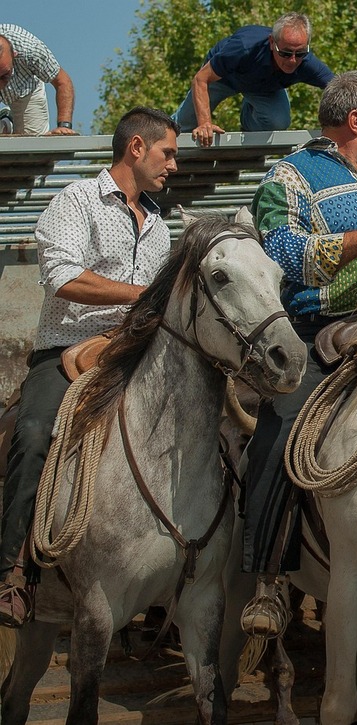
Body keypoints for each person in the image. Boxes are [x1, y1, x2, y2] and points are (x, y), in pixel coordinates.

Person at [240, 70, 357, 637]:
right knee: (281, 427)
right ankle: (267, 580)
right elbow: (279, 252)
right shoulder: (289, 177)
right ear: (356, 121)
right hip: (321, 328)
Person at [0, 107, 179, 627]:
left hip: (135, 354)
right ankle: (12, 572)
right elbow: (61, 277)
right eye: (168, 153)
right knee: (32, 433)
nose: (173, 165)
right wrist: (144, 296)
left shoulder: (161, 226)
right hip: (66, 351)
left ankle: (184, 563)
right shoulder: (75, 200)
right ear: (137, 149)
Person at [174, 12, 357, 147]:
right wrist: (205, 122)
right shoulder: (243, 47)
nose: (292, 61)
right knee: (185, 127)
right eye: (285, 53)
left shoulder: (307, 63)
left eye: (299, 53)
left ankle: (248, 122)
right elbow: (201, 79)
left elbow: (350, 93)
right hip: (224, 77)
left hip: (263, 89)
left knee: (278, 120)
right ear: (272, 43)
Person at [0, 24, 76, 136]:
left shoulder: (30, 49)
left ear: (15, 54)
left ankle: (9, 121)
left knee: (31, 145)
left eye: (4, 75)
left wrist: (63, 126)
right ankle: (5, 125)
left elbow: (62, 82)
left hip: (25, 89)